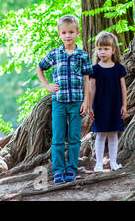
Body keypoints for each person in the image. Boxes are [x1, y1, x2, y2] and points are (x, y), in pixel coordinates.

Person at [36, 15, 93, 184]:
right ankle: (59, 171)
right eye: (64, 32)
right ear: (59, 34)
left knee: (75, 137)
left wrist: (86, 102)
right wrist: (47, 85)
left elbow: (87, 80)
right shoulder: (55, 53)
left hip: (76, 102)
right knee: (58, 137)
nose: (68, 35)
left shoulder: (82, 55)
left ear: (77, 33)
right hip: (59, 102)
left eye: (71, 32)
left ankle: (71, 169)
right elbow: (40, 68)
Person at [89, 31, 128, 172]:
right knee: (100, 134)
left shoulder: (119, 69)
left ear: (113, 50)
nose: (102, 52)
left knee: (113, 134)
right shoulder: (95, 69)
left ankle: (113, 162)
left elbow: (123, 88)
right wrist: (90, 107)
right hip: (99, 106)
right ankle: (99, 163)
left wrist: (124, 105)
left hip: (115, 105)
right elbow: (91, 88)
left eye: (106, 49)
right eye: (100, 49)